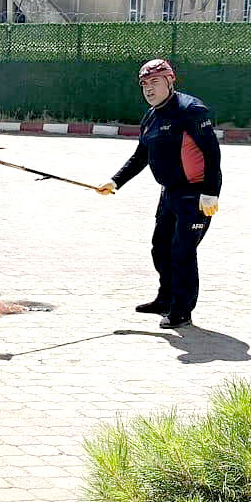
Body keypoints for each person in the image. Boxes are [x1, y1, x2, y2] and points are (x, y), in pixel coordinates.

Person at [97, 58, 222, 329]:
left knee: (182, 252)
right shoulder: (151, 116)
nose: (149, 89)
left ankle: (182, 311)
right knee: (160, 248)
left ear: (170, 81)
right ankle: (165, 299)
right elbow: (141, 155)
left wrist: (211, 192)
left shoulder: (190, 110)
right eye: (144, 84)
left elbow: (212, 152)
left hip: (196, 195)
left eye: (155, 82)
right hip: (169, 194)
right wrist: (115, 181)